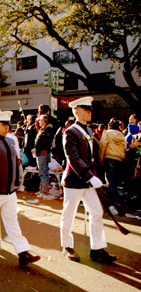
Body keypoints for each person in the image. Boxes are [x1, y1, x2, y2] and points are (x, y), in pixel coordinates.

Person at [0, 111, 40, 266]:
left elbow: (14, 164)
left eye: (8, 124)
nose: (7, 127)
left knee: (12, 222)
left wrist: (16, 183)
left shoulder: (10, 141)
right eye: (3, 124)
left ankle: (23, 252)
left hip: (9, 191)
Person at [61, 96, 118, 263]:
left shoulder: (88, 130)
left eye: (90, 110)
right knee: (69, 215)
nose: (89, 113)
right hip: (74, 180)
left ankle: (97, 249)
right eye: (86, 110)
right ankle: (67, 246)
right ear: (76, 112)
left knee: (96, 212)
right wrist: (91, 177)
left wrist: (93, 177)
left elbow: (89, 158)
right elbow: (73, 158)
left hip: (88, 180)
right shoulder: (71, 131)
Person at [99, 120, 126, 204]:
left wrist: (101, 159)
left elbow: (103, 146)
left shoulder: (107, 134)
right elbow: (124, 148)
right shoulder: (121, 135)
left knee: (110, 179)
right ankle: (114, 196)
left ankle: (115, 198)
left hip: (109, 157)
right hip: (119, 159)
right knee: (114, 179)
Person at [34, 114, 55, 199]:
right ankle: (42, 189)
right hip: (40, 153)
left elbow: (45, 143)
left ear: (45, 121)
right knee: (41, 172)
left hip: (43, 153)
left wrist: (37, 148)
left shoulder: (48, 130)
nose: (40, 122)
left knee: (44, 173)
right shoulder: (43, 129)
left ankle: (44, 191)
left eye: (41, 120)